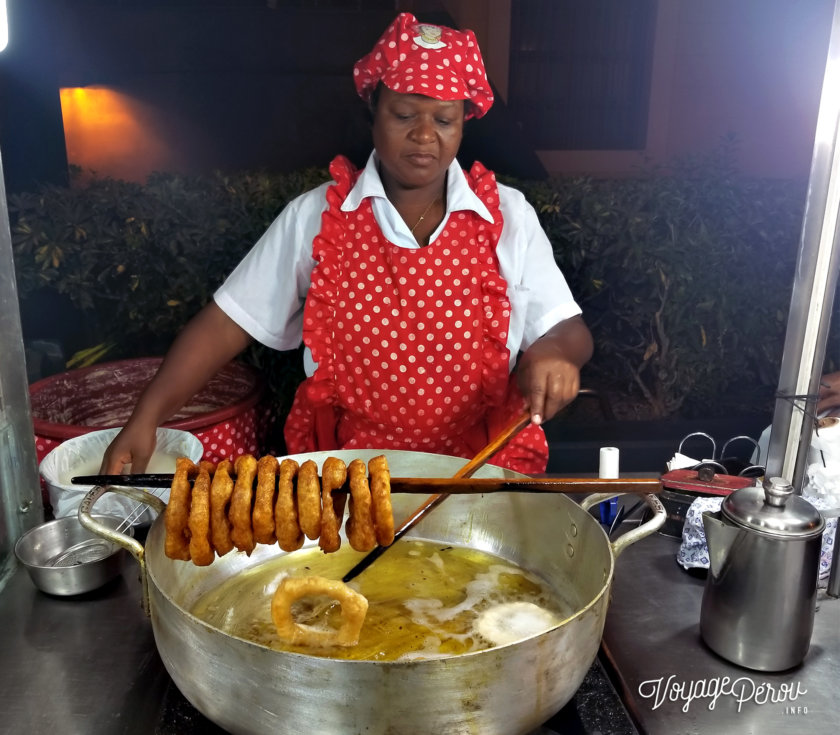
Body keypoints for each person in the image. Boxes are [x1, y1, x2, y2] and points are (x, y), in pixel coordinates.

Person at [101, 13, 593, 476]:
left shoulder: (507, 216)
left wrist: (554, 354)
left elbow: (569, 330)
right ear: (373, 112)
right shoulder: (317, 216)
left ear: (464, 122)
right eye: (404, 115)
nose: (425, 136)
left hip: (475, 474)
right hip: (348, 478)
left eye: (444, 120)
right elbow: (226, 324)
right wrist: (148, 415)